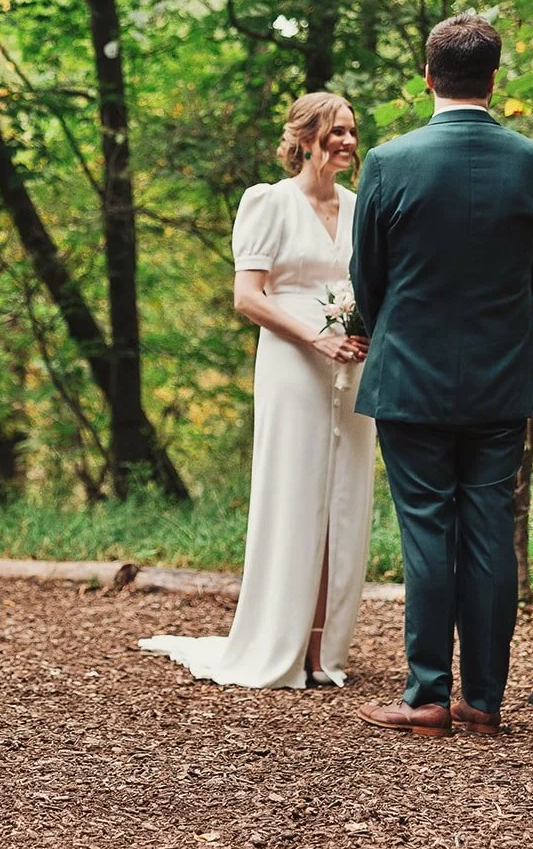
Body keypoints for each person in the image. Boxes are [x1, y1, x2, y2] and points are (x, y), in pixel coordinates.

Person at [350, 15, 533, 737]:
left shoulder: (388, 159)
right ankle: (486, 698)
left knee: (428, 530)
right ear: (494, 79)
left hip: (411, 375)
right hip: (504, 375)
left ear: (427, 75)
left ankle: (428, 693)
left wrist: (391, 335)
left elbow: (366, 276)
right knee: (489, 530)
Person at [139, 92, 374, 688]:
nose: (347, 142)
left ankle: (326, 649)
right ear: (304, 137)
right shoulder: (268, 201)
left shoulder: (359, 206)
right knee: (295, 492)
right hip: (294, 361)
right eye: (335, 132)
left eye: (351, 132)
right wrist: (317, 339)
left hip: (354, 364)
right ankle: (281, 640)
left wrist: (363, 327)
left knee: (345, 498)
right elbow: (248, 296)